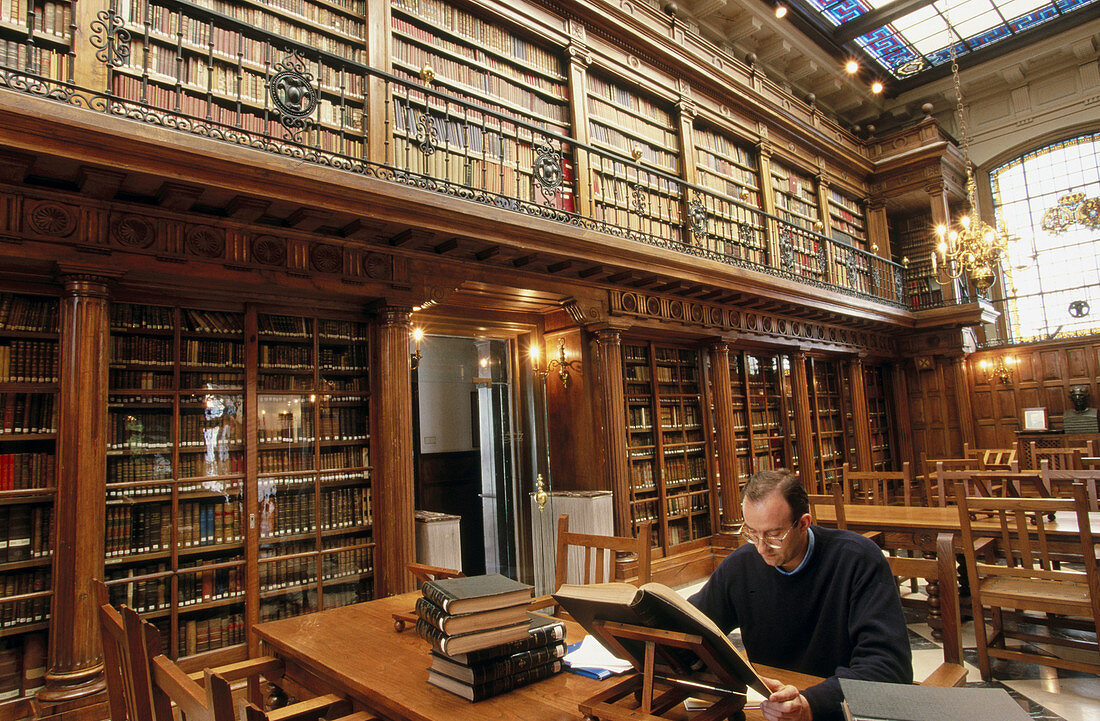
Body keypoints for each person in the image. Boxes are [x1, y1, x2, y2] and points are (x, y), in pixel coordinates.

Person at [689, 469, 912, 721]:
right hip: (774, 709)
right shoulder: (740, 565)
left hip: (841, 709)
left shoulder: (858, 559)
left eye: (774, 535)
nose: (761, 548)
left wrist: (811, 704)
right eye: (751, 532)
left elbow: (889, 668)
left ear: (804, 523)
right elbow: (691, 624)